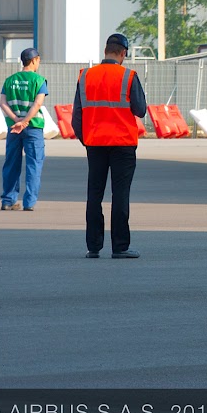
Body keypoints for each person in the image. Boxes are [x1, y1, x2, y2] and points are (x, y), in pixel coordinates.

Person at [73, 33, 148, 259]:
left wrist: (87, 140)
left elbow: (76, 117)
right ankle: (120, 247)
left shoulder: (86, 76)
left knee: (94, 194)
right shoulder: (128, 76)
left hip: (95, 144)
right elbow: (140, 110)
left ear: (105, 50)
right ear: (123, 53)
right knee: (120, 194)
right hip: (123, 145)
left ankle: (93, 247)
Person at [0, 47, 49, 212]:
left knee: (11, 163)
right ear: (34, 60)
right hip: (33, 127)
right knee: (34, 164)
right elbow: (38, 103)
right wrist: (25, 121)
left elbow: (2, 103)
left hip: (14, 128)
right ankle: (29, 203)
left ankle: (8, 200)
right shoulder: (39, 80)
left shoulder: (10, 80)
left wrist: (16, 120)